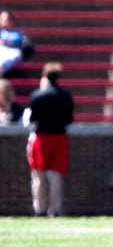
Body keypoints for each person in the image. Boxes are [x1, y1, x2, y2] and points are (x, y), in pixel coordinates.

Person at [24, 62, 74, 217]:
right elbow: (69, 119)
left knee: (38, 174)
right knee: (56, 175)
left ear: (45, 76)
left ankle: (39, 209)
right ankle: (55, 209)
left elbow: (32, 118)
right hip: (59, 137)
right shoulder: (65, 96)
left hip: (41, 138)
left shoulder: (37, 95)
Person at [0, 10, 31, 77]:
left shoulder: (19, 34)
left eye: (7, 19)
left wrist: (9, 43)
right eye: (2, 19)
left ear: (12, 21)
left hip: (13, 52)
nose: (4, 22)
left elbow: (26, 45)